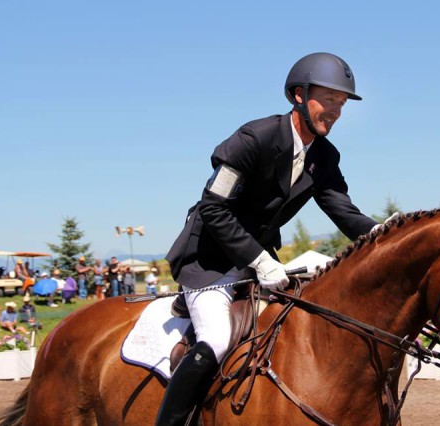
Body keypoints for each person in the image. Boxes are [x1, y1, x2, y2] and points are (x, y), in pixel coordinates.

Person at [157, 52, 380, 425]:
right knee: (216, 339)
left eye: (340, 104)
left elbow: (344, 211)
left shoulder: (324, 156)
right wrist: (260, 260)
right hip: (208, 259)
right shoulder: (253, 138)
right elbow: (213, 208)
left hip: (258, 261)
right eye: (328, 100)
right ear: (298, 95)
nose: (335, 112)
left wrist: (386, 236)